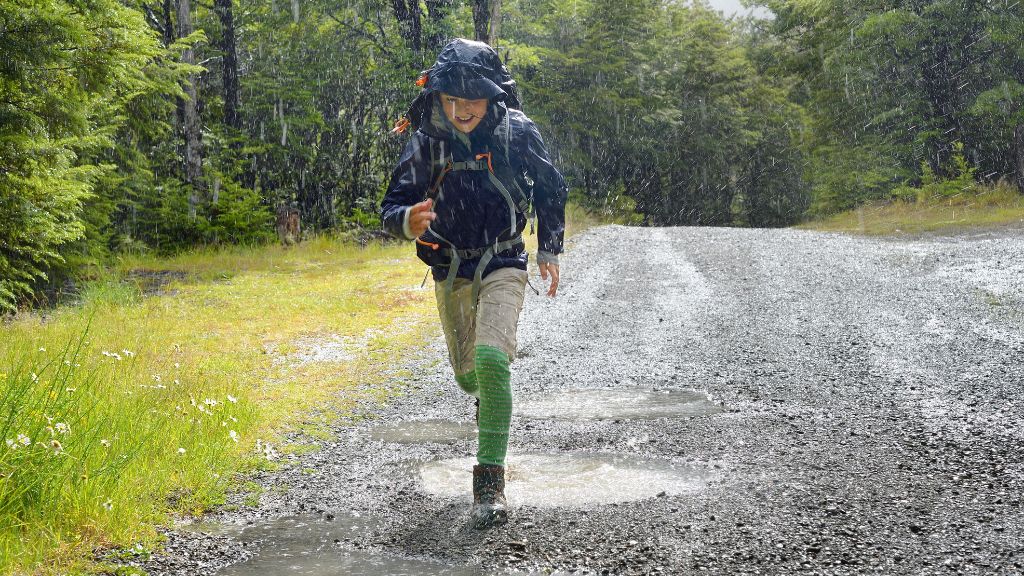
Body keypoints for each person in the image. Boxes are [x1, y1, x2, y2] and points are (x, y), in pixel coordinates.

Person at [380, 38, 567, 529]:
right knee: (470, 378)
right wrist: (407, 220)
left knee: (490, 359)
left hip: (505, 257)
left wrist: (549, 246)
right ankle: (488, 395)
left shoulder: (516, 132)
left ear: (494, 96)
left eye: (474, 99)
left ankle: (489, 483)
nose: (463, 109)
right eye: (452, 99)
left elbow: (551, 186)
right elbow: (391, 205)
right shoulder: (425, 141)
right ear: (437, 97)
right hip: (450, 266)